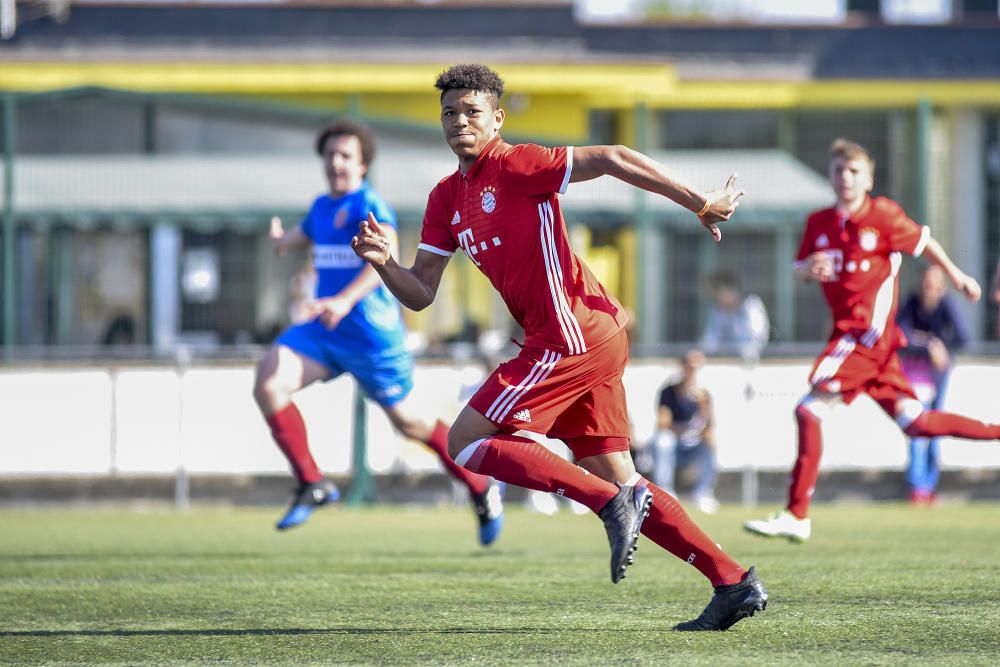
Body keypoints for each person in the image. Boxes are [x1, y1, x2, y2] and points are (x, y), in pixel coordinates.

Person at [352, 63, 766, 631]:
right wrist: (384, 265)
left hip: (573, 335)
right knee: (624, 479)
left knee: (465, 440)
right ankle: (732, 582)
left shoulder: (519, 164)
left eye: (472, 111)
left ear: (497, 118)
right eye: (450, 113)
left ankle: (603, 504)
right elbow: (421, 293)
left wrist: (698, 201)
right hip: (581, 342)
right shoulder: (445, 199)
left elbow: (616, 155)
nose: (459, 122)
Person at [253, 119, 504, 545]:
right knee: (270, 382)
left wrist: (344, 299)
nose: (336, 163)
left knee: (412, 425)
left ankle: (480, 487)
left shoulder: (368, 205)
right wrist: (279, 240)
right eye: (330, 155)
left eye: (346, 156)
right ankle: (312, 483)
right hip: (326, 332)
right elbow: (297, 237)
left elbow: (385, 252)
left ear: (363, 164)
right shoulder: (320, 209)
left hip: (372, 337)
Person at [744, 138, 1000, 542]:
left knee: (810, 410)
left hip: (866, 338)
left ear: (869, 178)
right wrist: (809, 268)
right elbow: (799, 269)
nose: (845, 178)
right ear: (829, 175)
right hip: (862, 345)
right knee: (917, 423)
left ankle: (797, 514)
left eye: (853, 171)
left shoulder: (883, 215)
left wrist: (957, 277)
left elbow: (924, 243)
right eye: (838, 171)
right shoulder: (819, 223)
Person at [897, 265, 969, 504]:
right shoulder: (911, 304)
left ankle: (929, 484)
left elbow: (962, 338)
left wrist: (940, 347)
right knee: (917, 427)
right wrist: (929, 346)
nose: (930, 291)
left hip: (937, 377)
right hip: (916, 377)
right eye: (926, 285)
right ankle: (916, 486)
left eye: (934, 286)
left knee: (935, 429)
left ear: (941, 288)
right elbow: (900, 336)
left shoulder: (946, 305)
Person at [649, 349, 720, 514]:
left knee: (711, 441)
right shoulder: (669, 391)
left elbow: (709, 425)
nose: (691, 369)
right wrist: (683, 430)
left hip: (692, 444)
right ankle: (665, 492)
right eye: (689, 365)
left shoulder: (704, 394)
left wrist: (703, 405)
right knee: (662, 440)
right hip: (674, 441)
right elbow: (662, 423)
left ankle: (703, 492)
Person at [699, 270, 770, 362]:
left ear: (731, 290)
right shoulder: (718, 312)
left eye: (719, 293)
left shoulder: (751, 305)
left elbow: (756, 339)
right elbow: (709, 342)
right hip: (726, 364)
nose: (717, 298)